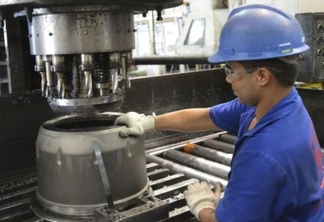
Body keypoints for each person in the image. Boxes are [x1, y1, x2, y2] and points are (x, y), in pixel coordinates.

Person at [115, 3, 324, 222]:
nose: (227, 78)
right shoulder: (278, 103)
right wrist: (148, 122)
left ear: (262, 76)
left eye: (231, 71)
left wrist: (203, 207)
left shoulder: (263, 154)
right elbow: (205, 116)